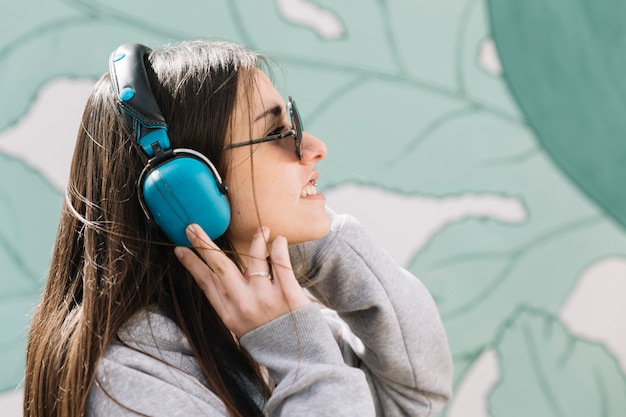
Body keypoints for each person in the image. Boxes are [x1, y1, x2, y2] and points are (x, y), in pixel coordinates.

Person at [23, 39, 453, 417]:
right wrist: (303, 363)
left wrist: (319, 248)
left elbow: (415, 397)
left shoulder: (264, 324)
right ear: (186, 190)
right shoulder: (130, 385)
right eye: (278, 131)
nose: (315, 148)